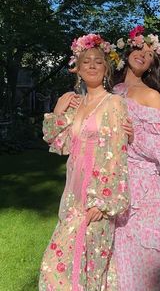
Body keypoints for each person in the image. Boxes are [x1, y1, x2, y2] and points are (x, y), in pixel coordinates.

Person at [39, 33, 130, 291]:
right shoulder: (74, 104)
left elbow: (117, 155)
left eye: (98, 61)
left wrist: (103, 201)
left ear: (107, 69)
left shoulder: (114, 103)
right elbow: (57, 142)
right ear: (77, 69)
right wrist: (58, 109)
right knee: (57, 263)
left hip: (97, 195)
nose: (91, 65)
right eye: (86, 61)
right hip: (72, 195)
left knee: (94, 265)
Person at [109, 26, 160, 290]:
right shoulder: (112, 91)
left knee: (147, 246)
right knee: (115, 244)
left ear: (152, 65)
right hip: (111, 177)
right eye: (139, 49)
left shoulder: (151, 95)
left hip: (143, 187)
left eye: (149, 54)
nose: (143, 55)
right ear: (128, 51)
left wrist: (134, 136)